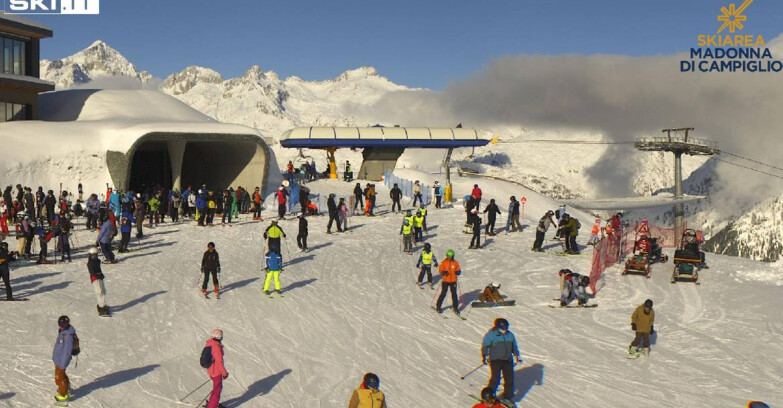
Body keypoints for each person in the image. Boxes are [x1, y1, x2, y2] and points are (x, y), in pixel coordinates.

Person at [481, 318, 521, 405]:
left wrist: (516, 355)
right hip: (496, 360)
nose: (504, 331)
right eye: (503, 329)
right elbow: (485, 345)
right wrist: (485, 355)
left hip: (507, 360)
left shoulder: (510, 335)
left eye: (506, 328)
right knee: (495, 378)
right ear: (497, 327)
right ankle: (489, 397)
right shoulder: (491, 335)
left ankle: (507, 397)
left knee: (509, 379)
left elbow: (514, 346)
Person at [52, 315, 77, 404]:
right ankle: (67, 388)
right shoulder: (63, 332)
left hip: (62, 360)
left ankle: (63, 395)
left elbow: (67, 351)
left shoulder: (68, 335)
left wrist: (63, 363)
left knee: (59, 378)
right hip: (58, 359)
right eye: (60, 324)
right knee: (61, 375)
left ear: (67, 324)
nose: (61, 326)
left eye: (63, 325)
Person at [204, 329, 229, 408]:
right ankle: (212, 406)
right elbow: (219, 363)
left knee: (216, 389)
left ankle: (212, 403)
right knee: (217, 391)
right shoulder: (216, 347)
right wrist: (224, 373)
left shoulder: (210, 343)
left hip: (211, 370)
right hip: (216, 372)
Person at [435, 249, 462, 316]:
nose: (449, 257)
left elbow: (459, 271)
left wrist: (457, 272)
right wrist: (444, 272)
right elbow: (440, 270)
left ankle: (455, 308)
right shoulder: (443, 262)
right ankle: (438, 306)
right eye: (448, 256)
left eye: (450, 256)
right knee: (443, 293)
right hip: (445, 281)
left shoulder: (455, 263)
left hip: (453, 281)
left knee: (454, 295)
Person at [87, 247, 109, 316]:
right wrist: (99, 275)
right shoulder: (90, 263)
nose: (95, 256)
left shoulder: (97, 261)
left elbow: (98, 270)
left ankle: (101, 305)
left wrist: (101, 275)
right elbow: (92, 272)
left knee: (103, 291)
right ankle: (101, 308)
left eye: (96, 255)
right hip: (95, 279)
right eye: (93, 255)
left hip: (99, 278)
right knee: (100, 292)